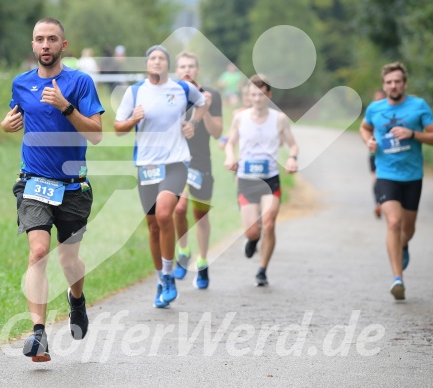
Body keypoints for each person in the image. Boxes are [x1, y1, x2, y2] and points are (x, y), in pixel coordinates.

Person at [0, 17, 105, 362]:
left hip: (73, 186)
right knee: (38, 252)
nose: (45, 45)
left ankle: (76, 299)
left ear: (64, 45)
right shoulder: (21, 83)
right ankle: (38, 334)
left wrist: (66, 106)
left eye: (52, 39)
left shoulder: (80, 82)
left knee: (69, 258)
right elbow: (15, 116)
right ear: (33, 46)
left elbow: (95, 133)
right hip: (33, 182)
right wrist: (5, 125)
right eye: (39, 39)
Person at [114, 45, 207, 308]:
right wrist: (132, 119)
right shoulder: (134, 92)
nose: (157, 62)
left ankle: (169, 277)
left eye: (162, 58)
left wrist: (193, 123)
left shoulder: (182, 89)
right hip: (146, 165)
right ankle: (160, 279)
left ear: (168, 64)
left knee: (165, 214)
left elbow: (202, 102)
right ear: (147, 64)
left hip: (176, 162)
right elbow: (118, 128)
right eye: (152, 58)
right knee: (153, 226)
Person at [359, 62, 433, 300]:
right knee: (393, 222)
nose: (393, 86)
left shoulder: (418, 106)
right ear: (384, 85)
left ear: (404, 84)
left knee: (408, 229)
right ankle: (398, 279)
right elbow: (364, 128)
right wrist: (369, 142)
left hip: (412, 177)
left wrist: (413, 134)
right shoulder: (375, 108)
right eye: (388, 82)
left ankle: (404, 245)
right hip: (386, 175)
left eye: (397, 81)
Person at [224, 74, 298, 287]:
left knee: (269, 223)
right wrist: (230, 156)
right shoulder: (240, 117)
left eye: (261, 94)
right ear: (248, 95)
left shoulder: (279, 119)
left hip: (270, 179)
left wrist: (292, 158)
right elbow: (230, 143)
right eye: (253, 94)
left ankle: (262, 269)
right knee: (252, 230)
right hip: (246, 179)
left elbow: (293, 145)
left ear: (269, 95)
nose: (257, 98)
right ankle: (253, 239)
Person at [172, 51, 223, 289]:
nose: (187, 70)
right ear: (176, 70)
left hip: (201, 162)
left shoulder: (211, 95)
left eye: (191, 66)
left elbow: (217, 133)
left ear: (198, 70)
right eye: (182, 66)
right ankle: (183, 251)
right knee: (179, 208)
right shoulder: (170, 94)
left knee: (200, 216)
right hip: (175, 161)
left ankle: (202, 263)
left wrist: (208, 109)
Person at [369, 89, 387, 218]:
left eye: (381, 98)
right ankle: (378, 204)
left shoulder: (390, 113)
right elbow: (364, 129)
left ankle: (387, 203)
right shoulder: (372, 113)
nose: (378, 101)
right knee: (376, 179)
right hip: (374, 153)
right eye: (376, 99)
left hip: (390, 153)